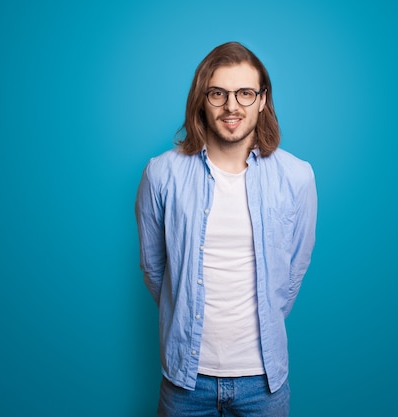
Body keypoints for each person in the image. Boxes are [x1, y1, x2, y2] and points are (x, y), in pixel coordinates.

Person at [135, 41, 317, 416]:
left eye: (245, 93)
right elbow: (156, 270)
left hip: (264, 382)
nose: (232, 106)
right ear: (202, 98)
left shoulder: (297, 177)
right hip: (185, 381)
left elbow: (294, 270)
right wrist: (181, 310)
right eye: (218, 93)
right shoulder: (161, 174)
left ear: (263, 100)